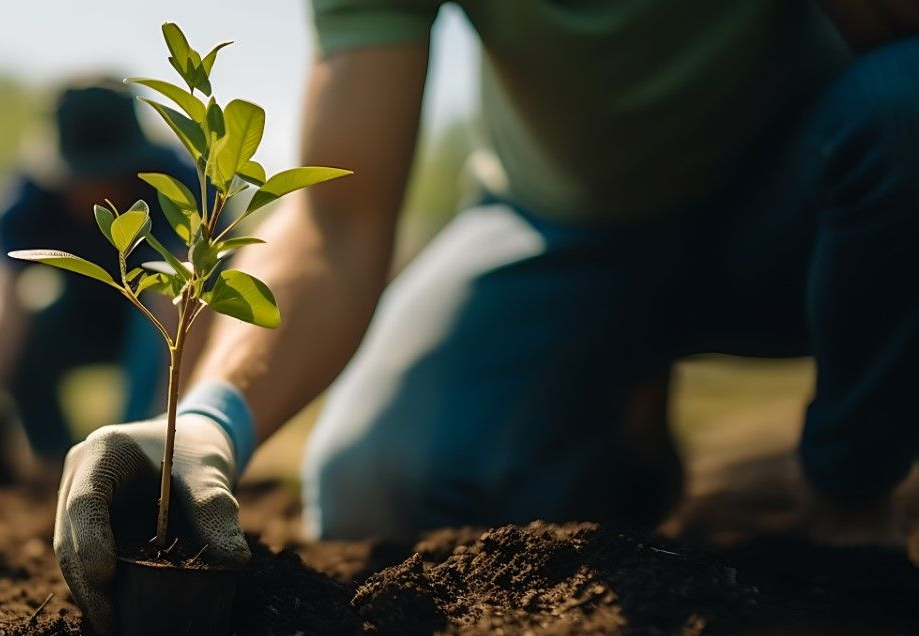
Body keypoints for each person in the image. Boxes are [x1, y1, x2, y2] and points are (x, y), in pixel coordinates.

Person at [53, 2, 919, 632]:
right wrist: (210, 420)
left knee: (902, 107)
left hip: (806, 209)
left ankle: (850, 491)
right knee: (375, 490)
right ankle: (616, 421)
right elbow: (337, 215)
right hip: (561, 232)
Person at [0, 80, 191, 482]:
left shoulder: (180, 185)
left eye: (110, 174)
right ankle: (54, 461)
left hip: (154, 328)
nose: (96, 190)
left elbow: (187, 299)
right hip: (75, 321)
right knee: (29, 313)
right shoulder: (23, 197)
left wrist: (160, 428)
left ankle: (139, 449)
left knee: (161, 308)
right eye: (82, 176)